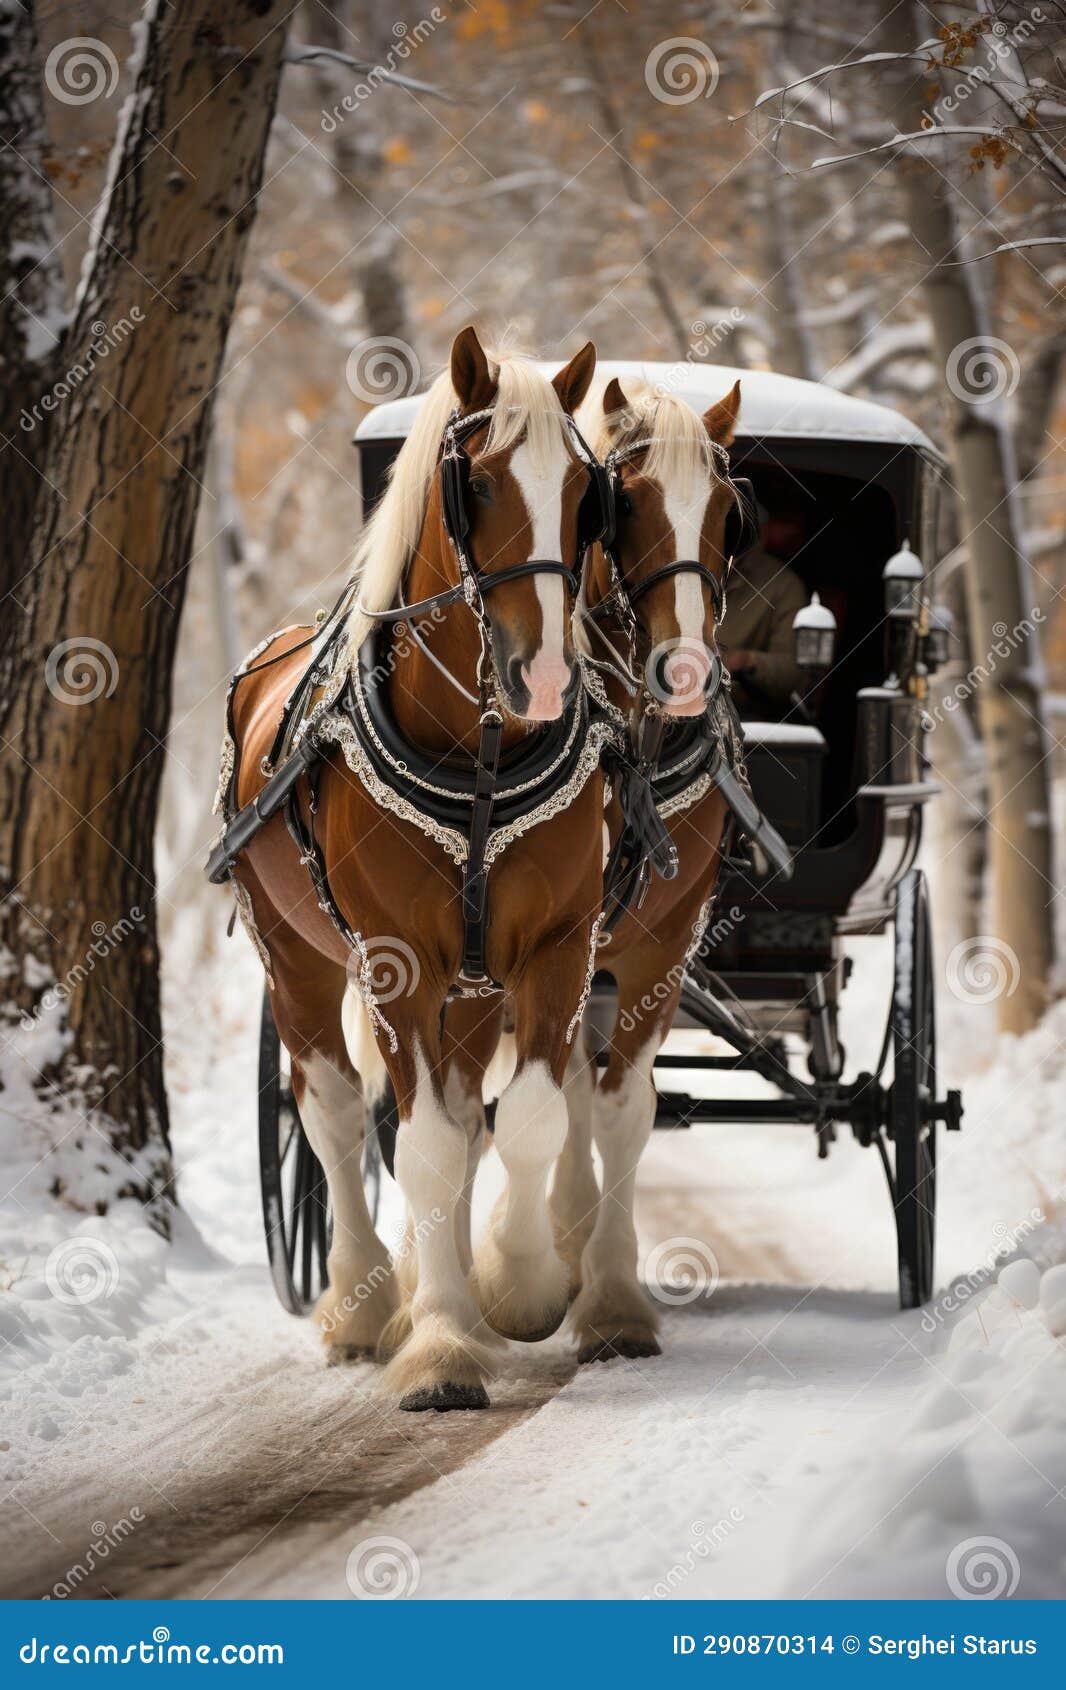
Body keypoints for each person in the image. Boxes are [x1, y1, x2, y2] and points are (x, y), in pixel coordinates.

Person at [719, 506, 808, 717]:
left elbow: (793, 675)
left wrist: (744, 660)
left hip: (739, 722)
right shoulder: (675, 571)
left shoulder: (783, 586)